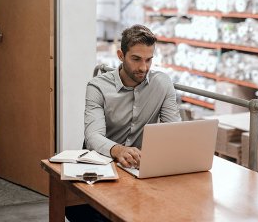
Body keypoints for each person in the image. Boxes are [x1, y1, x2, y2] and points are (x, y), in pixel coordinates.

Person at [66, 24, 181, 222]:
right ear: (121, 55)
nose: (143, 67)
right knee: (83, 212)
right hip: (101, 165)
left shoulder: (162, 84)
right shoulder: (98, 86)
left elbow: (174, 132)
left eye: (148, 60)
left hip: (137, 169)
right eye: (136, 59)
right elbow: (92, 135)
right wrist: (118, 150)